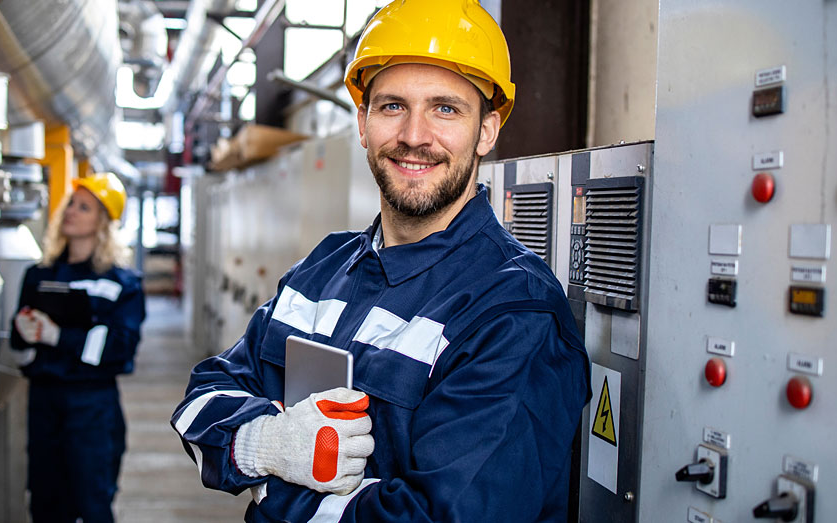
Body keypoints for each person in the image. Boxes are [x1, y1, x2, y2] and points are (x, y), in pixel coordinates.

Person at [172, 0, 591, 521]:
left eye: (445, 108)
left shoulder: (513, 312)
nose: (415, 135)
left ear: (487, 129)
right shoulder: (323, 270)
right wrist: (267, 445)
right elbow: (200, 399)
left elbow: (442, 515)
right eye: (393, 106)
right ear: (363, 121)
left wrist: (274, 495)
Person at [11, 172, 146, 523]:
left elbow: (120, 348)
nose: (71, 211)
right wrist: (24, 331)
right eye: (71, 203)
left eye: (84, 207)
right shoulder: (39, 275)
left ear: (103, 221)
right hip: (43, 402)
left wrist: (59, 337)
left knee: (93, 503)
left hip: (92, 407)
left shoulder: (121, 283)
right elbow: (17, 345)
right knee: (44, 503)